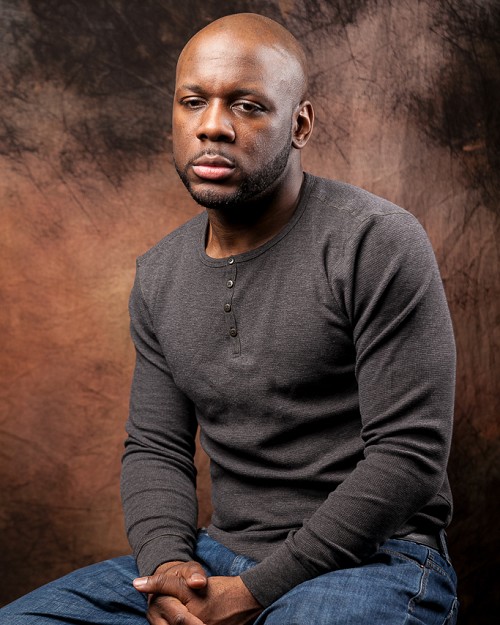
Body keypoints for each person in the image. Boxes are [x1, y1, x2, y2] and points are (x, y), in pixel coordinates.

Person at [0, 12, 458, 625]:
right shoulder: (159, 274)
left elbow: (408, 455)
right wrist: (169, 570)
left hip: (374, 560)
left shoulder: (375, 242)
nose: (212, 126)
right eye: (193, 102)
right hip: (217, 557)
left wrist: (253, 592)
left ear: (300, 124)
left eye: (247, 106)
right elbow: (156, 447)